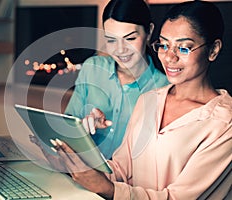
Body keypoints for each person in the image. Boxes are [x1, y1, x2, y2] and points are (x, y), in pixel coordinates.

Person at [49, 1, 232, 199]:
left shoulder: (224, 123)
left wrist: (108, 189)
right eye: (164, 45)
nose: (169, 57)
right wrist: (78, 164)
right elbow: (120, 168)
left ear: (213, 50)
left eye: (184, 48)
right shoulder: (149, 100)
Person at [64, 0, 169, 159]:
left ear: (149, 32)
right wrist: (84, 129)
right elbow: (68, 125)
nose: (120, 49)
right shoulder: (92, 68)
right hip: (82, 170)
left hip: (130, 181)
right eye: (111, 40)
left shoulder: (165, 86)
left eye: (130, 38)